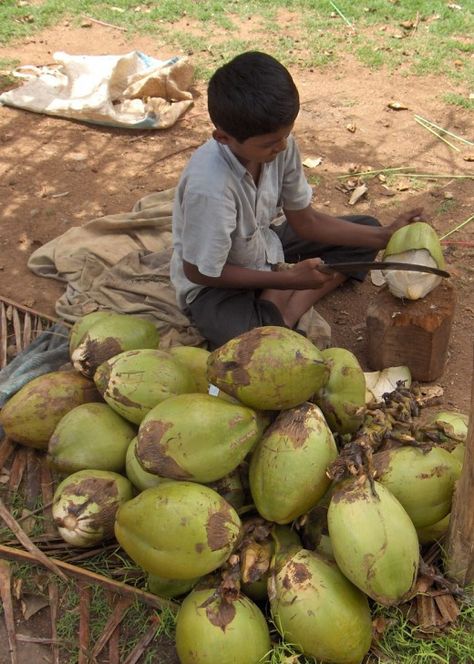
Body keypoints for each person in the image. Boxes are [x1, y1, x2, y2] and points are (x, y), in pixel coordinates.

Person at [170, 51, 422, 349]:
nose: (281, 147)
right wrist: (287, 280)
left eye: (285, 136)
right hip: (215, 284)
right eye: (268, 144)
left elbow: (305, 221)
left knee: (365, 231)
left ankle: (281, 311)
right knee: (252, 345)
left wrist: (384, 236)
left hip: (264, 247)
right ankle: (279, 311)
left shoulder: (280, 145)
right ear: (223, 138)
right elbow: (198, 271)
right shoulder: (210, 187)